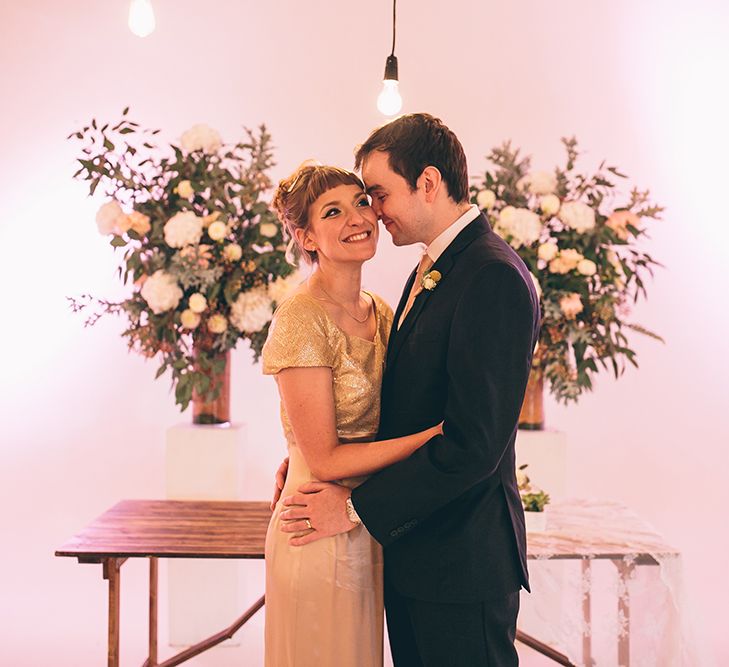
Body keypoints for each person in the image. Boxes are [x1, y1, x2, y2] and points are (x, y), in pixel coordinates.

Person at [276, 114, 541, 666]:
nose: (371, 213)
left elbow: (472, 445)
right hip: (413, 553)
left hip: (460, 562)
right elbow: (401, 403)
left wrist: (352, 507)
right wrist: (306, 454)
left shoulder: (489, 275)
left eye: (376, 194)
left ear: (426, 182)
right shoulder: (434, 268)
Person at [262, 163, 443, 667]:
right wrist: (434, 438)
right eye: (333, 211)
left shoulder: (381, 311)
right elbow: (322, 459)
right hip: (314, 526)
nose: (357, 218)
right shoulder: (300, 316)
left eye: (361, 202)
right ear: (306, 237)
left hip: (365, 521)